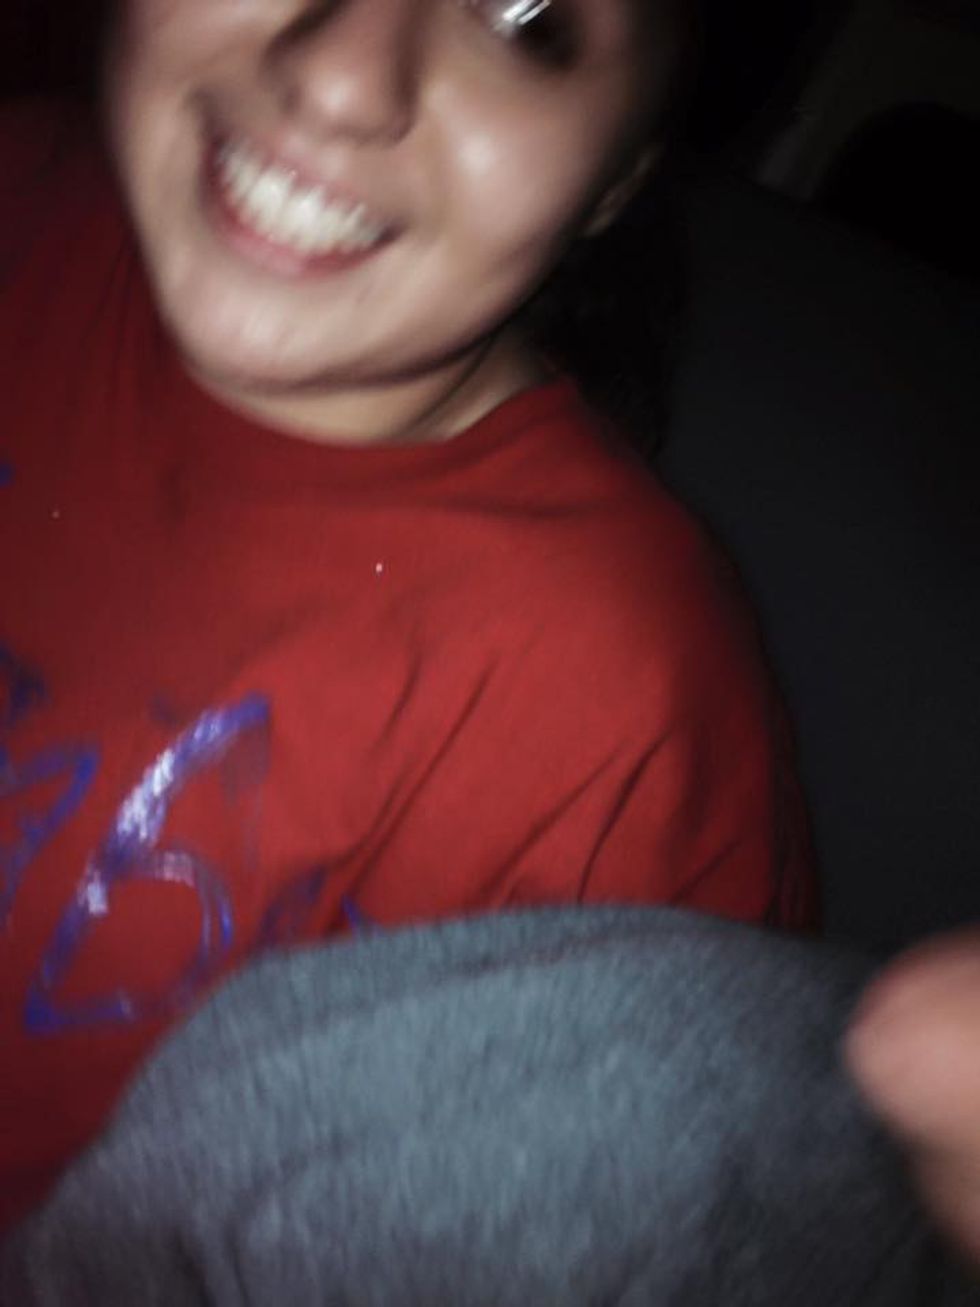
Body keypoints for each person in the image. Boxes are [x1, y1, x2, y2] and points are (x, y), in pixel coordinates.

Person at [0, 0, 816, 1231]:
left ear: (616, 176)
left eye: (525, 15)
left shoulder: (615, 722)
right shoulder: (21, 180)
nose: (338, 78)